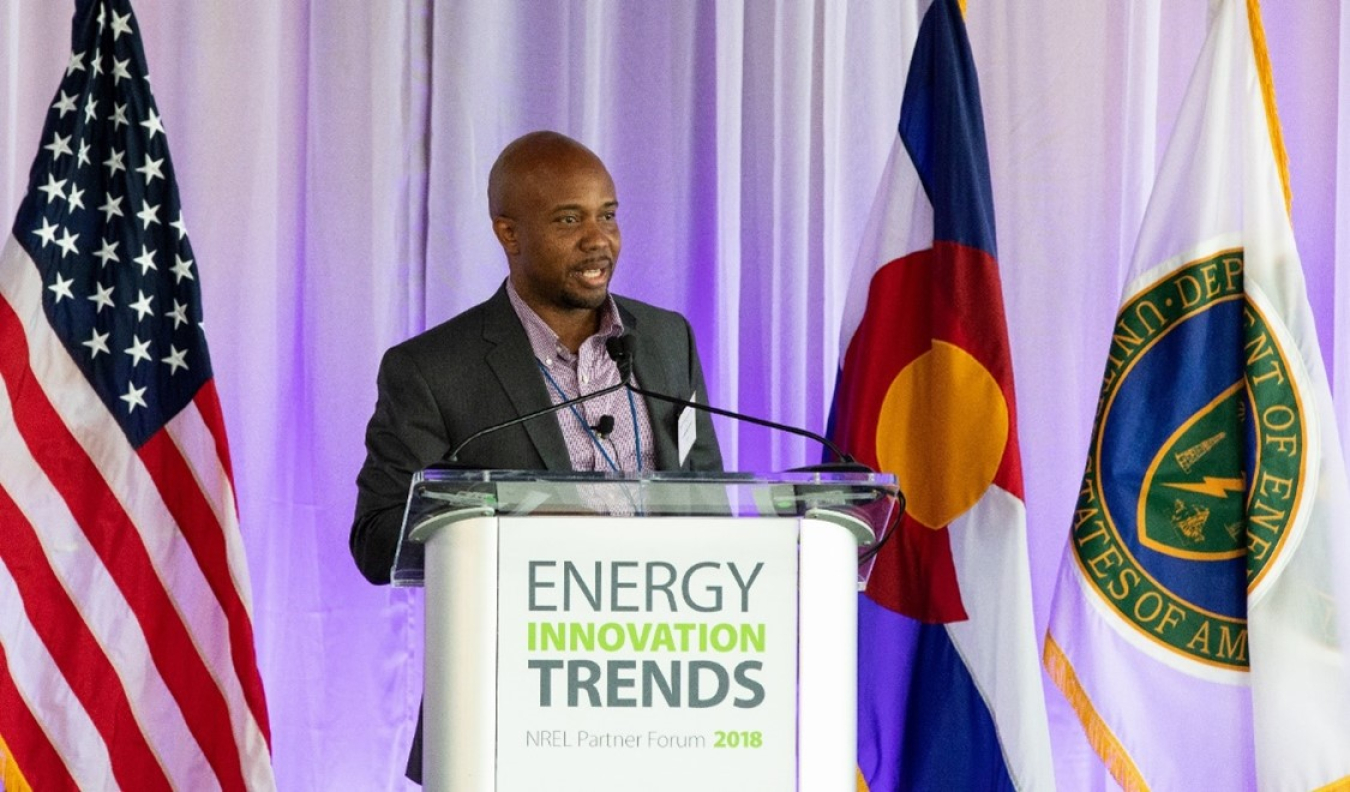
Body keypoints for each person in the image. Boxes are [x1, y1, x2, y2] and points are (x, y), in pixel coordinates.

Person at [349, 130, 724, 783]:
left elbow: (706, 498)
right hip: (506, 707)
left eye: (607, 214)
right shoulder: (434, 370)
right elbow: (378, 539)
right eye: (568, 220)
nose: (598, 239)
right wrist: (520, 521)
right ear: (509, 233)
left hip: (666, 697)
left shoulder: (666, 340)